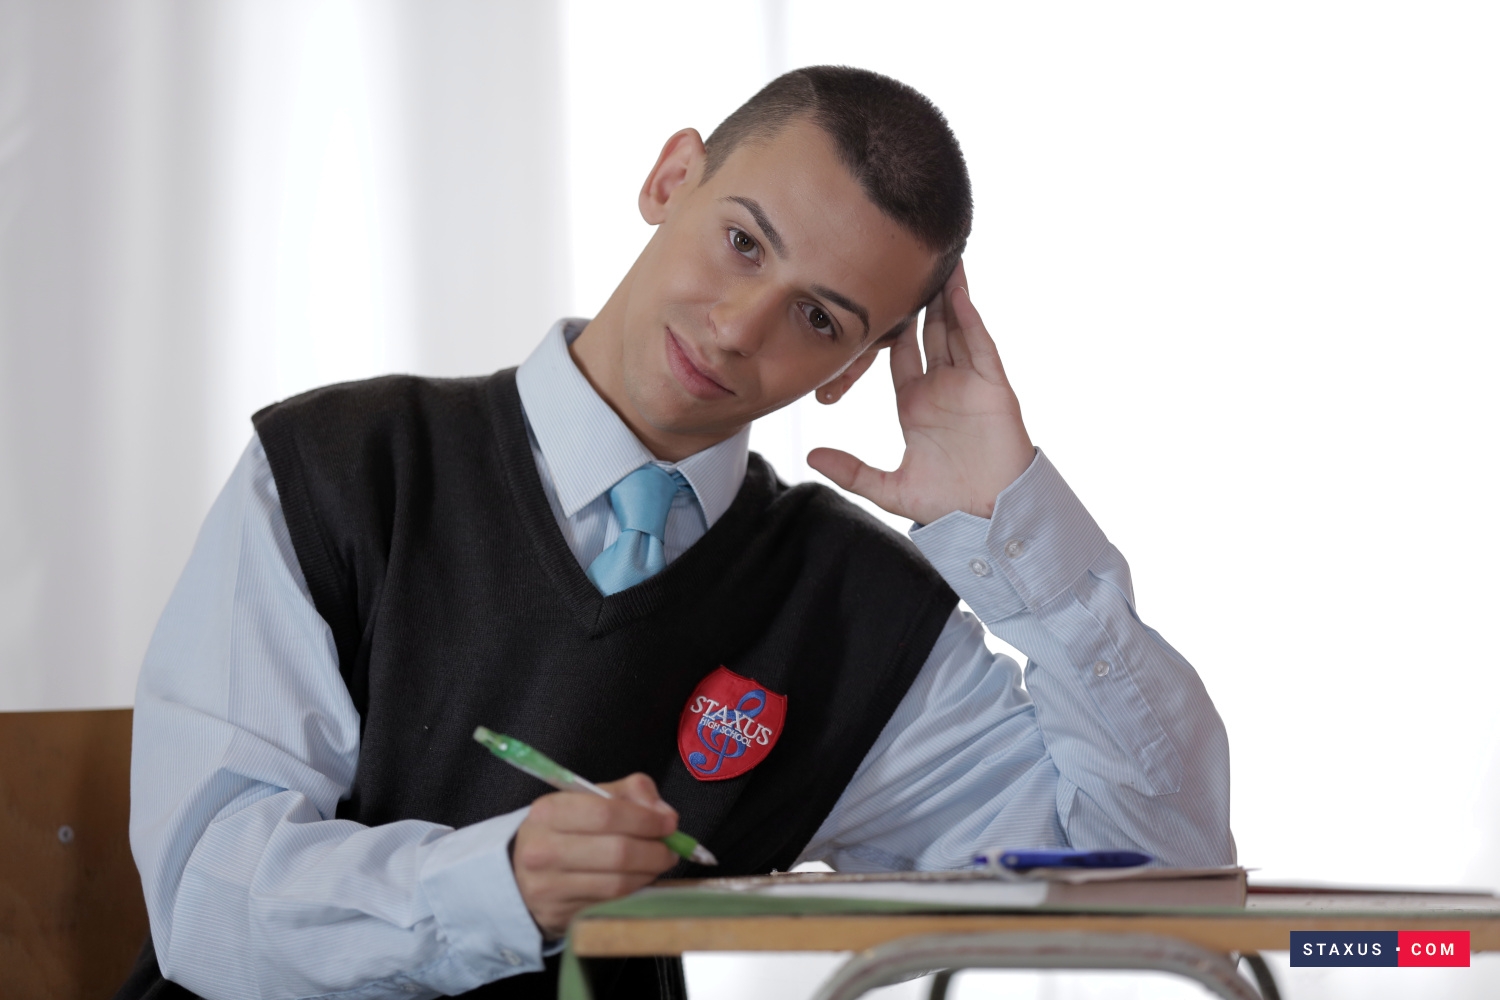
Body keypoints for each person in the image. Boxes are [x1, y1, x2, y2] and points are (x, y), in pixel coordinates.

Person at [121, 66, 1232, 1000]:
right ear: (670, 178)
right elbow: (205, 893)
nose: (739, 328)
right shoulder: (338, 468)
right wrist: (495, 888)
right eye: (744, 242)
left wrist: (1012, 532)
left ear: (852, 369)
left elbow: (1153, 893)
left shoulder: (852, 611)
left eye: (817, 317)